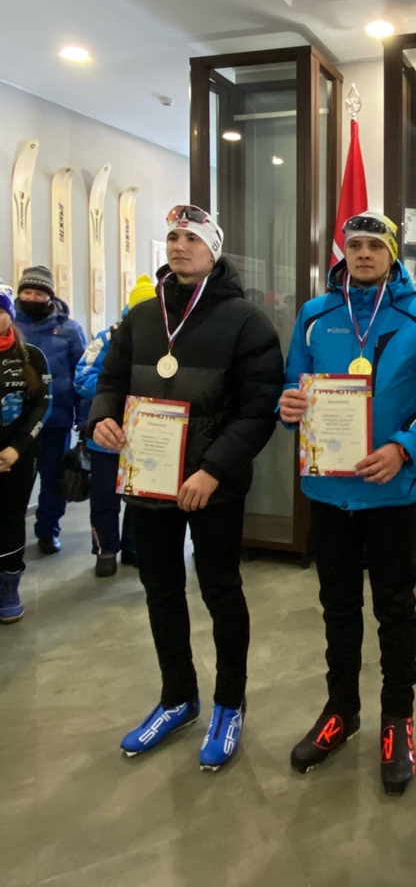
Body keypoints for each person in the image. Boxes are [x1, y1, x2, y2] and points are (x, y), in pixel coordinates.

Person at [89, 206, 283, 771]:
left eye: (192, 239)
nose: (179, 246)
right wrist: (102, 417)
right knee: (161, 590)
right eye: (173, 237)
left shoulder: (247, 322)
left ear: (213, 250)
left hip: (212, 485)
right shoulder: (140, 317)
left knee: (221, 591)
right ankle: (178, 697)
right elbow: (110, 379)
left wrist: (214, 469)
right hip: (149, 479)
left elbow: (259, 409)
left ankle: (229, 703)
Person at [279, 212, 416, 796]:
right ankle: (341, 709)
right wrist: (288, 407)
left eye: (374, 245)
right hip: (328, 491)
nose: (362, 254)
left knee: (396, 609)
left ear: (391, 254)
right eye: (353, 245)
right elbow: (294, 386)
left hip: (391, 492)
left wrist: (403, 448)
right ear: (343, 253)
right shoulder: (314, 314)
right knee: (338, 608)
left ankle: (397, 718)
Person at [74, 275, 156, 577]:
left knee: (140, 499)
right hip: (104, 438)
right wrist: (121, 391)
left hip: (145, 437)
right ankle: (105, 549)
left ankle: (134, 548)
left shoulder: (166, 340)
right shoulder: (106, 339)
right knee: (104, 499)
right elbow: (82, 378)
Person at [14, 265, 87, 554]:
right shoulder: (8, 324)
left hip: (55, 420)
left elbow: (81, 376)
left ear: (50, 296)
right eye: (27, 292)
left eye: (39, 293)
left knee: (54, 480)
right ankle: (11, 534)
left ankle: (48, 530)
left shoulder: (70, 330)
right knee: (13, 482)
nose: (32, 297)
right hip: (14, 423)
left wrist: (84, 419)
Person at [0, 283, 51, 622]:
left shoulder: (31, 356)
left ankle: (8, 585)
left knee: (11, 518)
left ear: (9, 314)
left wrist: (16, 449)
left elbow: (42, 406)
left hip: (18, 455)